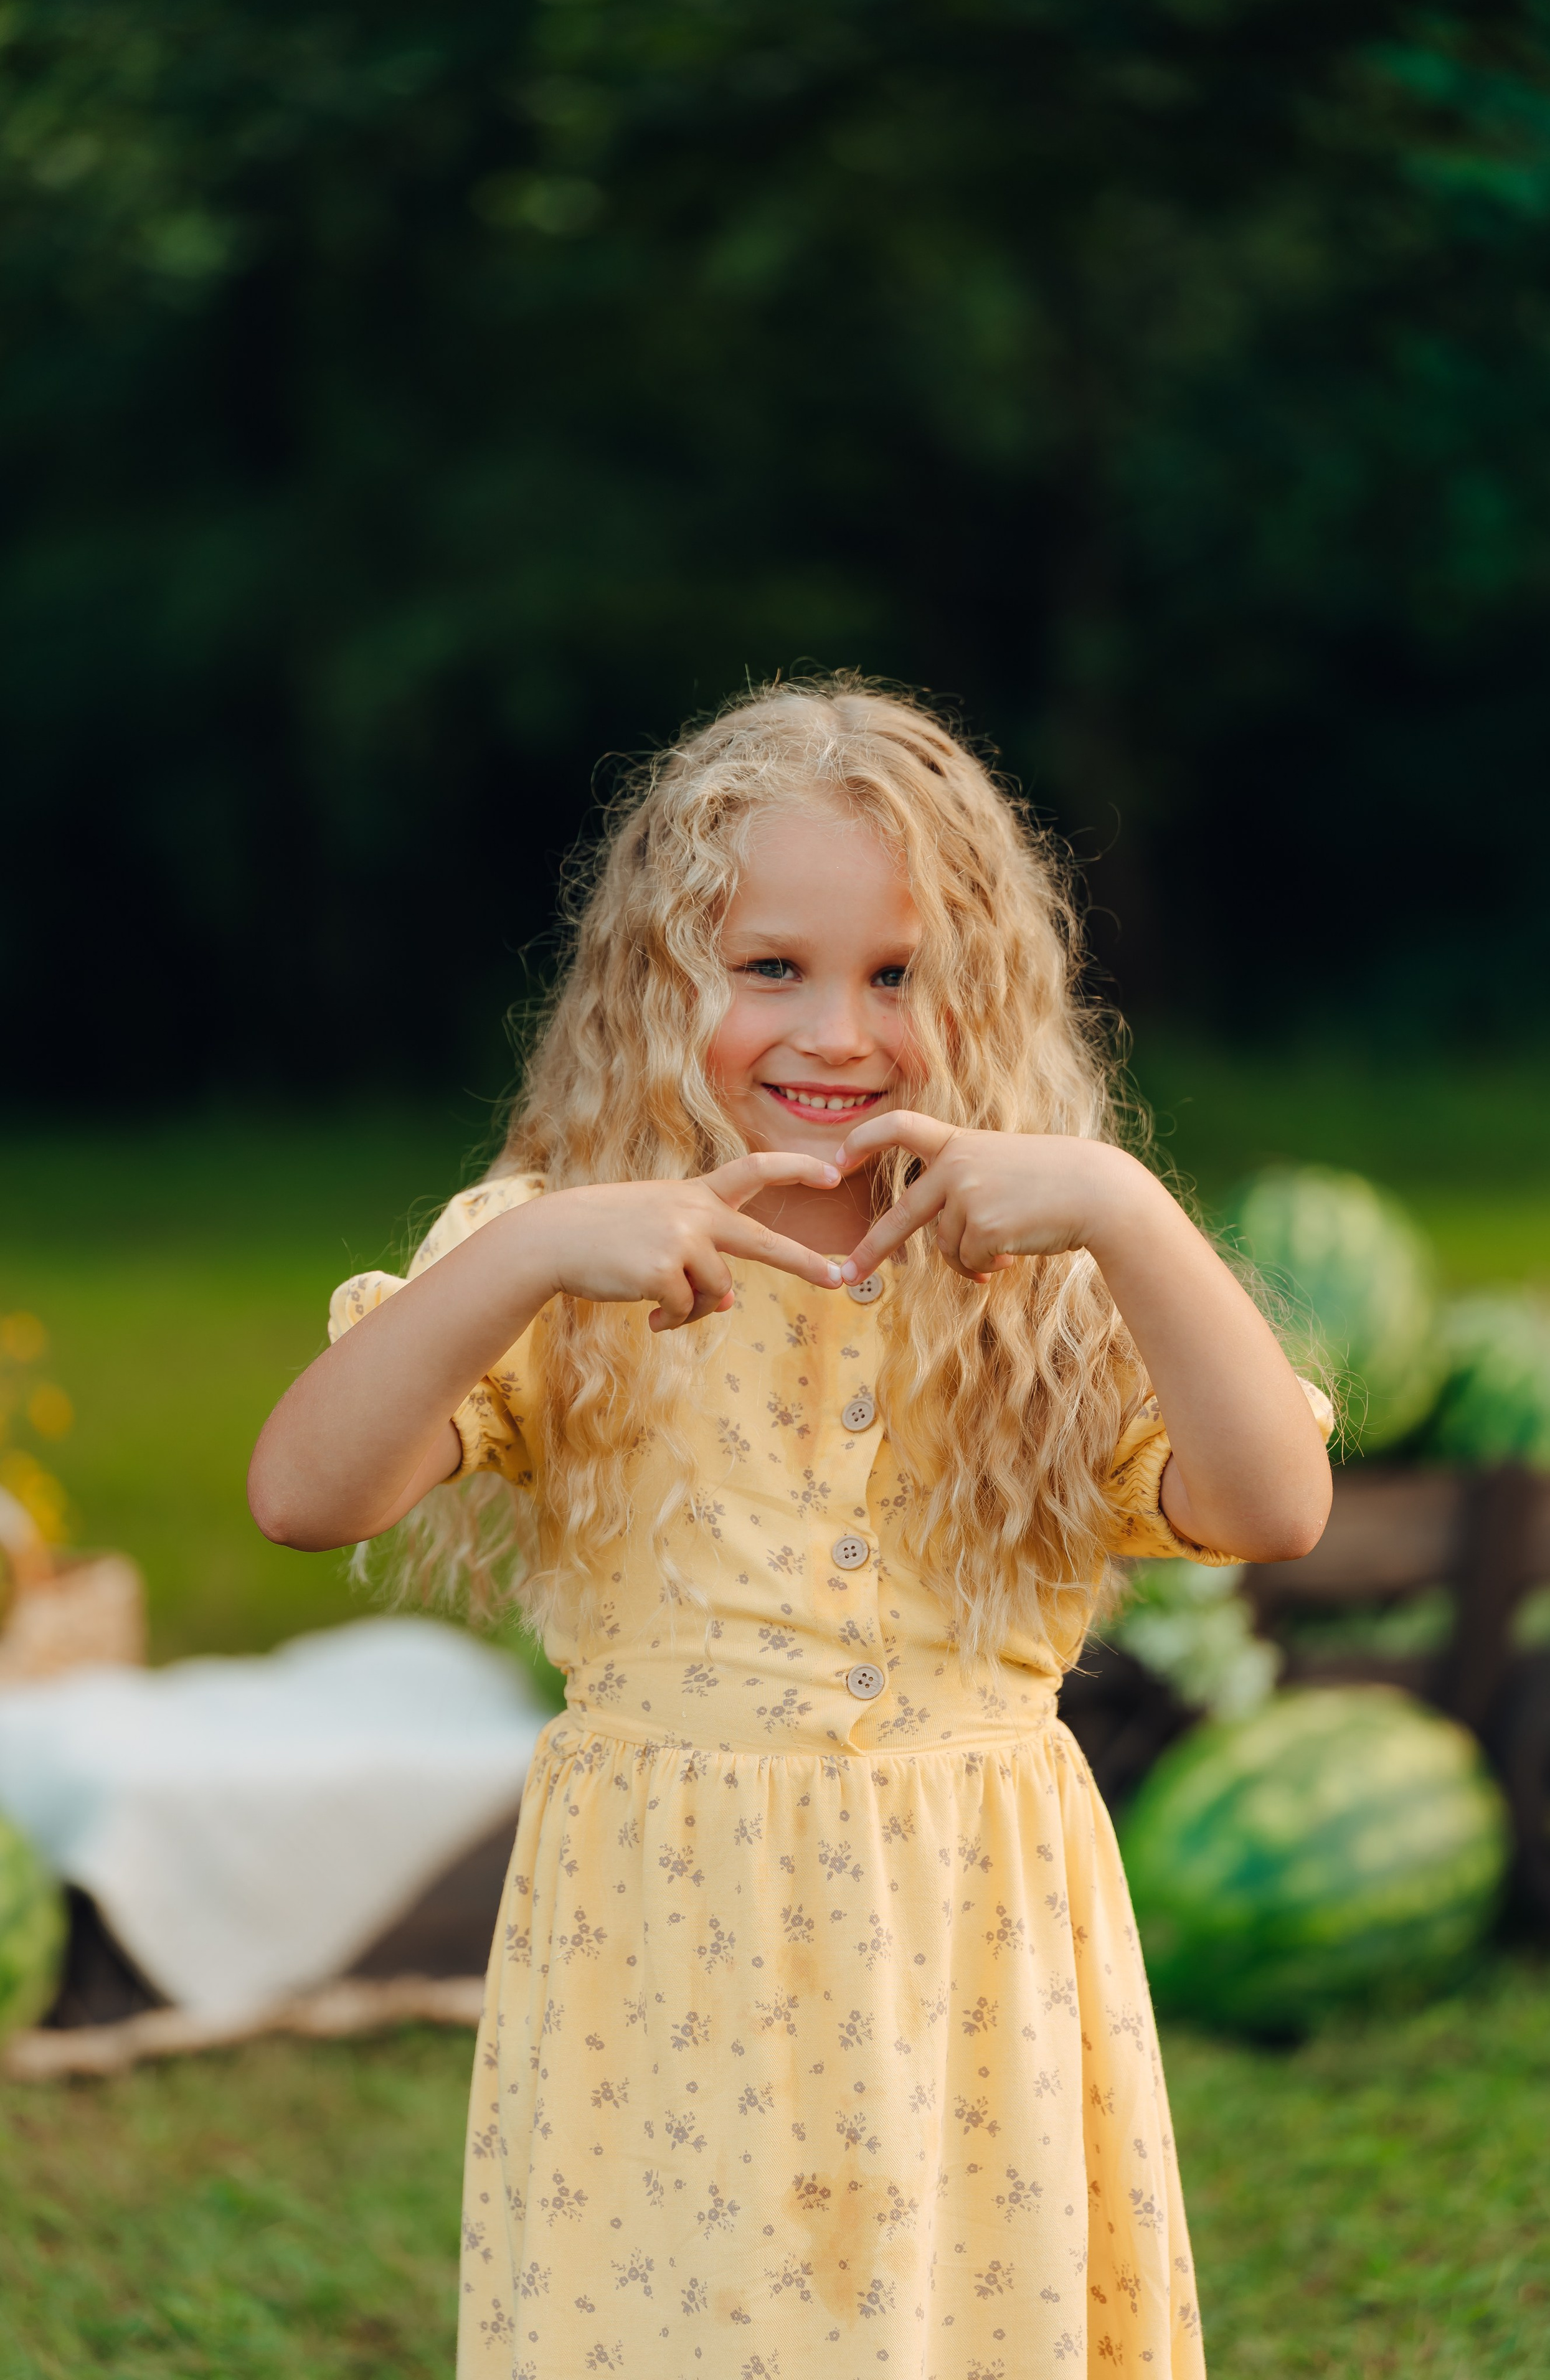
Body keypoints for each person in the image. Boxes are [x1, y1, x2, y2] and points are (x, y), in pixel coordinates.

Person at [249, 678, 1332, 2380]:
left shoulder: (1051, 1271)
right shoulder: (557, 1245)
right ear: (659, 982)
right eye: (772, 969)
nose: (836, 1033)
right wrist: (527, 1255)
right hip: (666, 1951)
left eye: (897, 976)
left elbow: (1275, 1503)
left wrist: (1123, 1208)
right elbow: (305, 1496)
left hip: (969, 1938)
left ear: (981, 993)